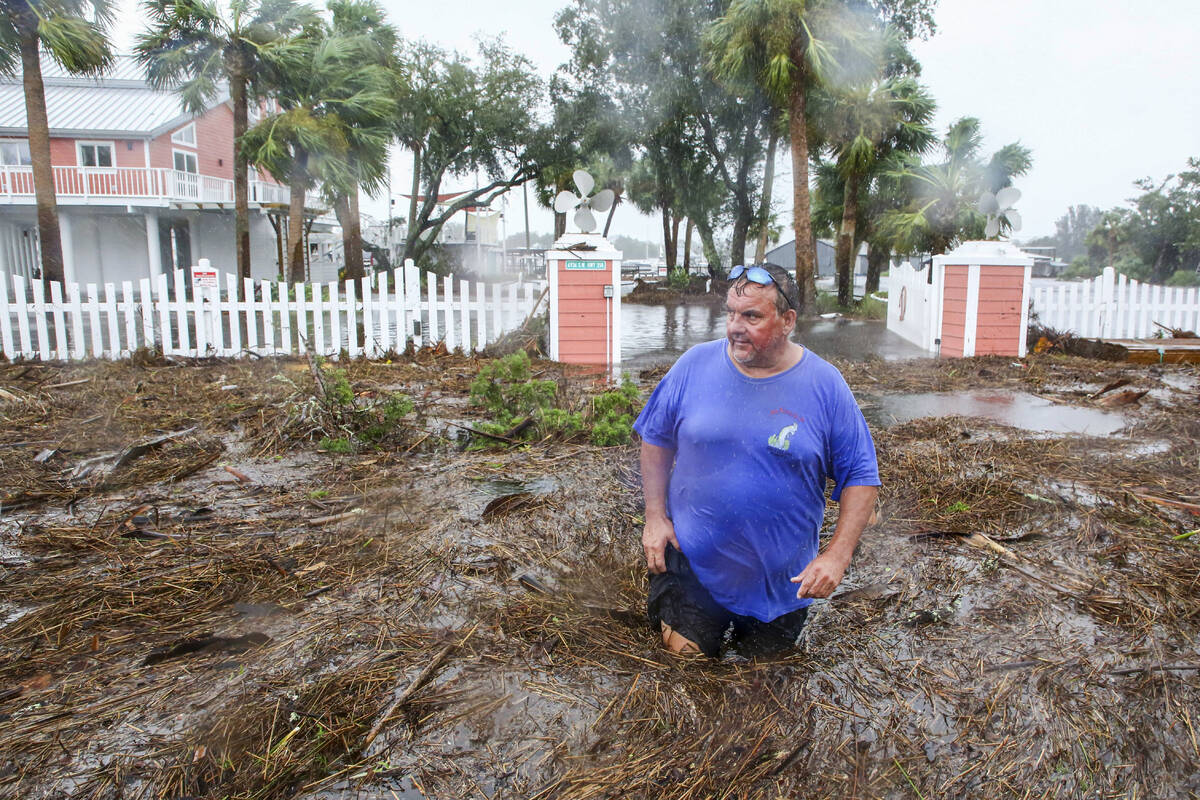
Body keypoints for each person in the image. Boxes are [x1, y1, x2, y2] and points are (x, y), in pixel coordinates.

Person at [632, 263, 880, 658]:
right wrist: (655, 517)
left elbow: (861, 476)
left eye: (751, 316)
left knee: (761, 686)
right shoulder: (694, 366)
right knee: (686, 664)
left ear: (787, 321)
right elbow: (656, 438)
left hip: (781, 584)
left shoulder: (825, 385)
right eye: (730, 313)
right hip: (694, 567)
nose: (734, 326)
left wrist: (836, 555)